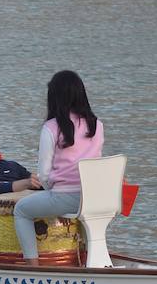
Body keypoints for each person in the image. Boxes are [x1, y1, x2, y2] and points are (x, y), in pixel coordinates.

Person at [13, 70, 104, 264]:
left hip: (66, 197)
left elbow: (44, 174)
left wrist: (50, 193)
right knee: (89, 218)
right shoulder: (97, 125)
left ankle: (33, 267)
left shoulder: (51, 127)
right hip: (96, 198)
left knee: (21, 210)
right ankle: (91, 261)